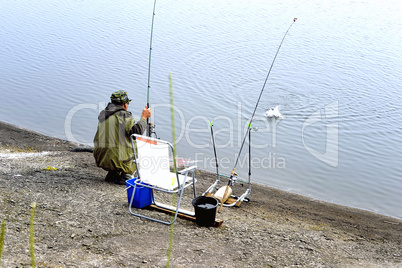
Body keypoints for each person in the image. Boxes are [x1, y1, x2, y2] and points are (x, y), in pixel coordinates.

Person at [93, 90, 151, 184]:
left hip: (101, 158)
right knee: (136, 148)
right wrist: (144, 117)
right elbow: (136, 132)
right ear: (125, 105)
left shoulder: (104, 114)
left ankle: (113, 173)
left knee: (116, 141)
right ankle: (125, 176)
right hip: (117, 160)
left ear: (112, 102)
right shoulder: (125, 116)